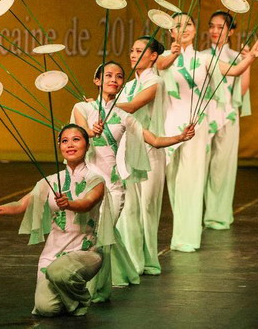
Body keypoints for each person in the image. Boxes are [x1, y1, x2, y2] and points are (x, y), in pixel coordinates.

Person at [71, 61, 194, 300]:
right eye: (108, 75)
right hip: (88, 184)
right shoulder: (82, 109)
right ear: (97, 81)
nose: (114, 79)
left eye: (119, 76)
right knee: (88, 235)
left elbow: (155, 141)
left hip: (114, 185)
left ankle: (97, 289)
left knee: (102, 237)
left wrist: (181, 136)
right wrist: (91, 132)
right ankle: (122, 272)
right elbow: (78, 135)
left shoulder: (124, 116)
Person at [0, 124, 114, 317]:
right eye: (65, 141)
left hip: (85, 252)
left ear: (87, 145)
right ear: (60, 147)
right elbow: (21, 204)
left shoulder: (96, 180)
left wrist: (69, 203)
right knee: (45, 308)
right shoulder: (51, 181)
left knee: (59, 272)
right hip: (53, 252)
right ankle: (67, 297)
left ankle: (81, 299)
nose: (70, 145)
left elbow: (87, 203)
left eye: (76, 139)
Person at [156, 13, 258, 252]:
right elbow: (159, 67)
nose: (183, 29)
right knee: (174, 183)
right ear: (171, 31)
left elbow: (234, 72)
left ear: (194, 31)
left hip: (196, 126)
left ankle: (187, 237)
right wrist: (173, 53)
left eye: (188, 25)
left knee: (192, 180)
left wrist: (251, 57)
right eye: (177, 26)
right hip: (169, 128)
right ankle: (181, 233)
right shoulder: (162, 57)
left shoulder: (204, 59)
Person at [116, 36, 167, 275]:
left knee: (148, 206)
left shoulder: (156, 81)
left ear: (153, 55)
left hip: (151, 150)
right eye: (132, 50)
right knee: (130, 208)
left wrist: (103, 103)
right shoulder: (127, 86)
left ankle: (149, 260)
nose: (133, 54)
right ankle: (134, 261)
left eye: (139, 50)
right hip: (129, 150)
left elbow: (134, 107)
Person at [201, 11, 251, 230]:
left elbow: (241, 89)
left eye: (220, 27)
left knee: (223, 167)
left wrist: (248, 60)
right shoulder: (200, 56)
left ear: (230, 31)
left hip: (228, 115)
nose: (214, 31)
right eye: (211, 26)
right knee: (200, 167)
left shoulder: (237, 57)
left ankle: (218, 214)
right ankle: (199, 213)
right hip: (204, 116)